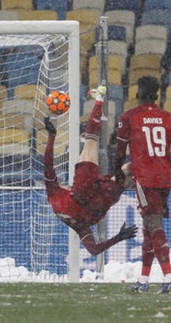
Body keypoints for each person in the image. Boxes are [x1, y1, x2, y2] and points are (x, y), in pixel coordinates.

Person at [114, 76, 171, 294]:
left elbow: (119, 153)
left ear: (138, 94)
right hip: (164, 179)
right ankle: (143, 279)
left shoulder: (129, 117)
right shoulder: (168, 118)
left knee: (153, 224)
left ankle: (169, 277)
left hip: (145, 179)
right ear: (158, 95)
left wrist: (118, 175)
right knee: (150, 228)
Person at [44, 86, 137, 257]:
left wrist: (119, 237)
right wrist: (51, 136)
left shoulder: (78, 226)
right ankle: (99, 97)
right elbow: (48, 165)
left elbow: (93, 250)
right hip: (82, 191)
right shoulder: (53, 193)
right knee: (90, 140)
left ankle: (145, 162)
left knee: (124, 174)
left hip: (98, 206)